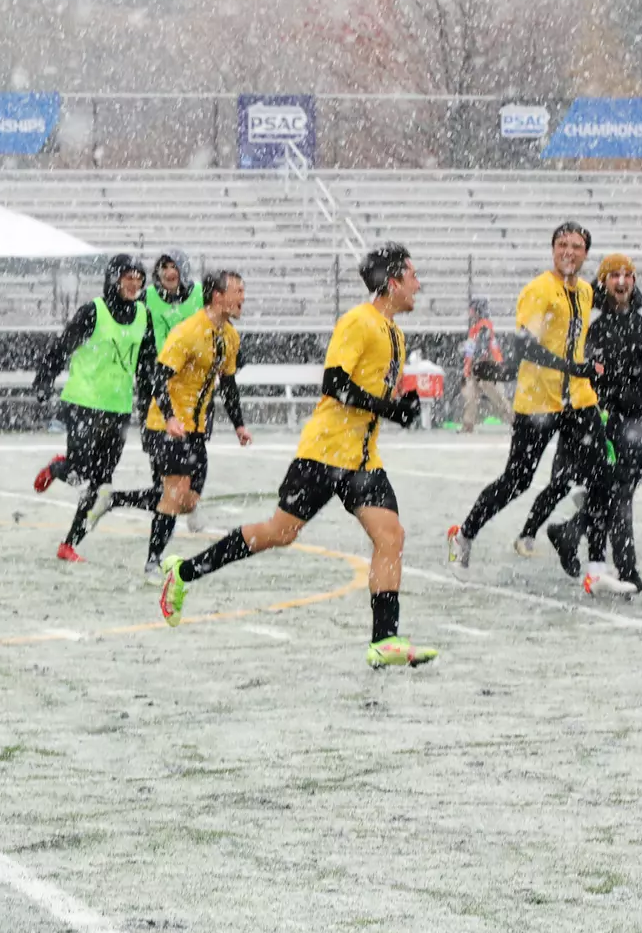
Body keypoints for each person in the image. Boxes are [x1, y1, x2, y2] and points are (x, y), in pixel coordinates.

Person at [156, 244, 438, 669]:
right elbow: (335, 383)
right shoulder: (358, 321)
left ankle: (385, 640)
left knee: (391, 537)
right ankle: (183, 573)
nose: (420, 284)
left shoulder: (394, 332)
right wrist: (389, 407)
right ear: (393, 282)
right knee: (278, 533)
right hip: (323, 455)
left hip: (362, 460)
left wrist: (402, 405)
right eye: (414, 276)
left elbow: (372, 394)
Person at [446, 223, 635, 596]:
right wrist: (574, 367)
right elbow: (524, 348)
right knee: (517, 480)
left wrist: (624, 275)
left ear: (585, 255)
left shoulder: (583, 291)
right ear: (553, 250)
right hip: (537, 402)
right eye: (562, 244)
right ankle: (464, 534)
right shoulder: (538, 290)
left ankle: (596, 570)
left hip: (579, 401)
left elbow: (623, 293)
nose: (569, 251)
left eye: (577, 246)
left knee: (604, 477)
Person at [522, 255, 642, 593]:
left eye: (628, 275)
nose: (623, 281)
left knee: (613, 489)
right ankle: (620, 567)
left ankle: (573, 535)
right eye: (615, 275)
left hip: (638, 417)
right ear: (603, 280)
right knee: (611, 489)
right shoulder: (586, 318)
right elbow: (562, 359)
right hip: (594, 415)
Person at [86, 271, 252, 579]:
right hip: (165, 424)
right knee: (175, 494)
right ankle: (153, 562)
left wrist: (239, 425)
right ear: (218, 296)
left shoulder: (230, 336)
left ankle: (113, 499)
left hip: (196, 428)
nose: (243, 298)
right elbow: (157, 378)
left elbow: (228, 384)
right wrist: (171, 417)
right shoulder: (188, 332)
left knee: (187, 502)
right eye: (238, 291)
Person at [31, 254, 158, 563]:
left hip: (118, 408)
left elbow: (145, 368)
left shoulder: (144, 315)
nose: (134, 284)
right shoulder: (93, 311)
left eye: (139, 279)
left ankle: (69, 544)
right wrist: (44, 381)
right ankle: (60, 467)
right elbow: (62, 347)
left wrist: (147, 408)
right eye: (128, 277)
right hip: (83, 403)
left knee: (101, 487)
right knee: (82, 474)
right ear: (114, 279)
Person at [459, 297, 512, 433]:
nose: (470, 312)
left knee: (498, 398)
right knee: (471, 397)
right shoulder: (478, 326)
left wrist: (476, 367)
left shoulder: (483, 326)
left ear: (477, 310)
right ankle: (468, 425)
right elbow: (471, 351)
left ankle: (515, 421)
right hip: (478, 368)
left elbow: (481, 349)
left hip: (486, 367)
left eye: (472, 309)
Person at [145, 251, 203, 353]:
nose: (169, 272)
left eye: (174, 267)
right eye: (164, 267)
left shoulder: (199, 293)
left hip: (193, 361)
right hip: (160, 363)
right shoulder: (148, 296)